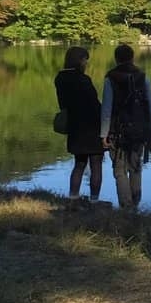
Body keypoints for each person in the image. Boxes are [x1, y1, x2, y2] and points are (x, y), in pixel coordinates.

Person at [101, 44, 151, 209]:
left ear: (116, 59)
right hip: (139, 131)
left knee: (119, 170)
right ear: (133, 57)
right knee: (136, 167)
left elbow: (106, 109)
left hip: (117, 132)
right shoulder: (142, 77)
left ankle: (126, 206)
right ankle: (136, 202)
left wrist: (103, 134)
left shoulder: (111, 79)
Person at [54, 46, 104, 204]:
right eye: (85, 60)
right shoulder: (83, 80)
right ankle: (94, 201)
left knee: (79, 164)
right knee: (96, 164)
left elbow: (63, 103)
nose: (86, 64)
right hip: (92, 126)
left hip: (75, 126)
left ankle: (73, 197)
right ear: (79, 61)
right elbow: (94, 103)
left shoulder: (60, 78)